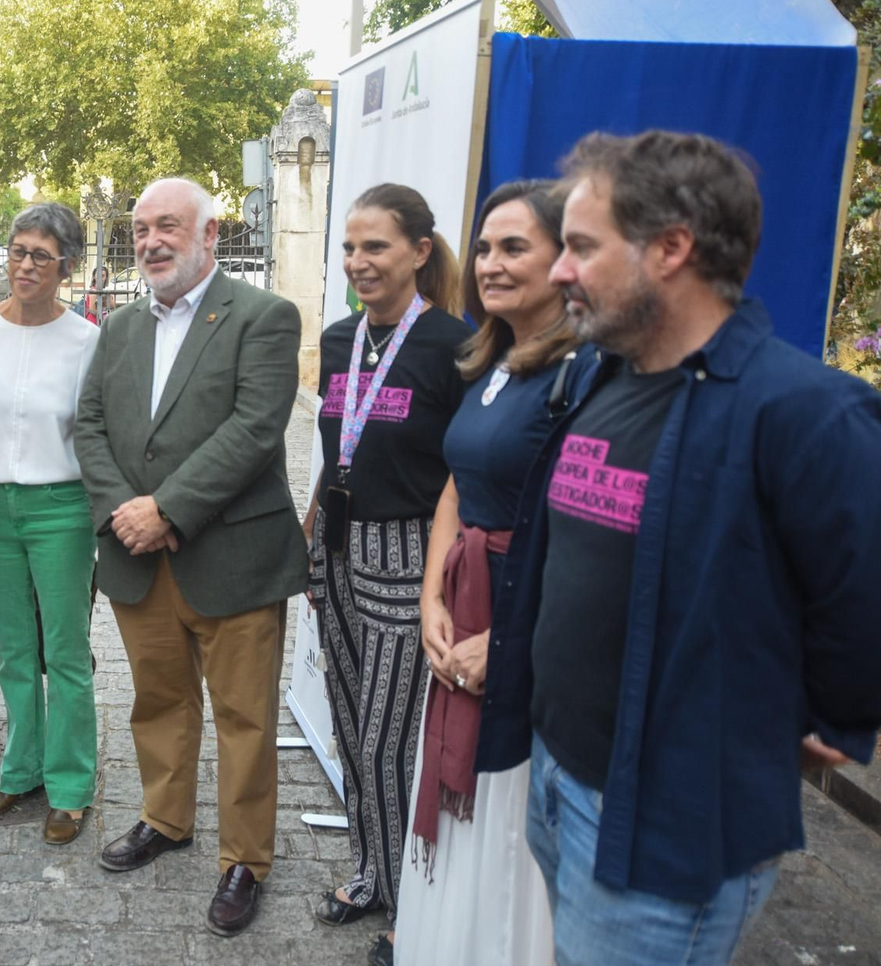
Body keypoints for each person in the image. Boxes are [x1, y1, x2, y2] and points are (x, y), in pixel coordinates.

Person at [478, 130, 881, 965]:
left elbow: (862, 594)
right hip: (560, 783)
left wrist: (834, 717)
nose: (559, 270)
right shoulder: (599, 376)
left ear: (671, 248)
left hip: (667, 826)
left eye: (582, 248)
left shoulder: (805, 411)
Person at [74, 177, 308, 937]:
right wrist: (125, 513)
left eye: (168, 227)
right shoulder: (118, 326)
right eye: (140, 230)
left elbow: (254, 427)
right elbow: (90, 425)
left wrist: (167, 509)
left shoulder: (263, 316)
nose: (150, 242)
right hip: (139, 559)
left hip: (232, 556)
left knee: (245, 717)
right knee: (159, 702)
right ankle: (165, 819)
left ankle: (246, 859)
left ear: (212, 236)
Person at [394, 181, 594, 965]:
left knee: (505, 816)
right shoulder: (487, 360)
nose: (491, 263)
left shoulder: (584, 375)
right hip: (462, 604)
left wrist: (510, 641)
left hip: (521, 621)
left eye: (515, 247)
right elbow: (454, 484)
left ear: (566, 259)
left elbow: (577, 534)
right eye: (484, 247)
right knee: (454, 808)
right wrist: (429, 598)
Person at [301, 183, 467, 966]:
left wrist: (442, 581)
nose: (358, 262)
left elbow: (463, 479)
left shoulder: (458, 348)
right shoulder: (339, 340)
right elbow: (341, 444)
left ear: (419, 253)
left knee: (387, 742)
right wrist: (309, 534)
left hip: (407, 557)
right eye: (349, 247)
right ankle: (371, 871)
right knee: (346, 719)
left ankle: (412, 910)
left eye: (376, 247)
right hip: (335, 547)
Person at [0, 203, 100, 845]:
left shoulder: (89, 339)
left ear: (67, 266)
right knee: (12, 648)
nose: (25, 264)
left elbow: (94, 430)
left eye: (41, 255)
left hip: (62, 504)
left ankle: (70, 785)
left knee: (64, 650)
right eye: (16, 250)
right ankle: (23, 766)